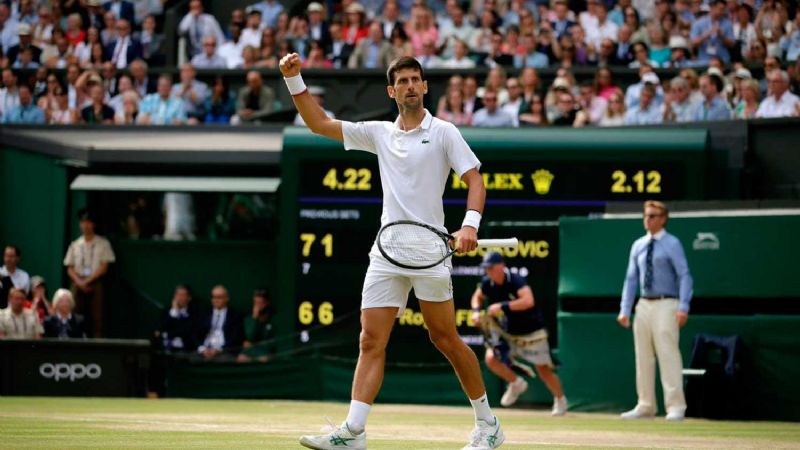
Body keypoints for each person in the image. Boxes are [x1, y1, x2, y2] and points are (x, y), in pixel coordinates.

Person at [281, 53, 503, 450]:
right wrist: (295, 79)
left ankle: (488, 424)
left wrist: (470, 224)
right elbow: (318, 124)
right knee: (370, 340)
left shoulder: (446, 132)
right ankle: (353, 431)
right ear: (391, 90)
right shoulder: (379, 133)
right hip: (386, 253)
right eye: (402, 81)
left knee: (445, 338)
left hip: (429, 250)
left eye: (416, 79)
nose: (411, 86)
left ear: (425, 86)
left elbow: (475, 180)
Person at [618, 200, 693, 422]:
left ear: (663, 219)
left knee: (668, 353)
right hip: (643, 305)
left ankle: (676, 406)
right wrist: (625, 308)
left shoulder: (673, 243)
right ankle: (645, 405)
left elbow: (684, 275)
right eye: (646, 215)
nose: (648, 219)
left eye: (652, 216)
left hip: (666, 303)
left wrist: (683, 306)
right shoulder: (638, 245)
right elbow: (631, 279)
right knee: (643, 356)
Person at [470, 252, 568, 416]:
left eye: (491, 268)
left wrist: (503, 306)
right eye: (486, 268)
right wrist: (475, 311)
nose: (488, 271)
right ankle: (516, 383)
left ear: (502, 265)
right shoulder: (488, 283)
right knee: (491, 358)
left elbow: (528, 301)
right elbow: (477, 296)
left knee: (543, 369)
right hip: (509, 332)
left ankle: (560, 400)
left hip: (532, 331)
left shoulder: (515, 280)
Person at [63, 209, 116, 337]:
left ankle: (97, 342)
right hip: (78, 282)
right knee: (74, 313)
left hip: (95, 282)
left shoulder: (103, 243)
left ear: (93, 224)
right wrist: (79, 281)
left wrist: (87, 281)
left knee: (97, 316)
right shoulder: (75, 244)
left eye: (88, 222)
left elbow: (104, 266)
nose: (85, 226)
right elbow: (69, 267)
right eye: (83, 222)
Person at [196, 284, 244, 360]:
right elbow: (195, 334)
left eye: (219, 297)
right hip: (204, 350)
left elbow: (235, 338)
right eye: (213, 297)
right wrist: (202, 349)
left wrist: (219, 350)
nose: (216, 300)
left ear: (227, 298)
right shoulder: (204, 314)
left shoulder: (235, 316)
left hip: (225, 351)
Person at [237, 289, 276, 362]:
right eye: (256, 303)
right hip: (250, 351)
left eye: (260, 303)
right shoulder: (249, 319)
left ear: (267, 303)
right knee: (241, 357)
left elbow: (273, 343)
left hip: (265, 351)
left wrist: (255, 345)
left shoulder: (273, 320)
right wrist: (254, 318)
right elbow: (249, 337)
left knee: (263, 359)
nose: (258, 306)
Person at [158, 284, 199, 352]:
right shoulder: (167, 311)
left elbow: (187, 332)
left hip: (184, 350)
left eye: (182, 295)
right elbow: (162, 328)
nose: (179, 298)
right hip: (165, 348)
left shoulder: (194, 313)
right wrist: (174, 312)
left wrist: (169, 334)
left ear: (189, 298)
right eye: (177, 294)